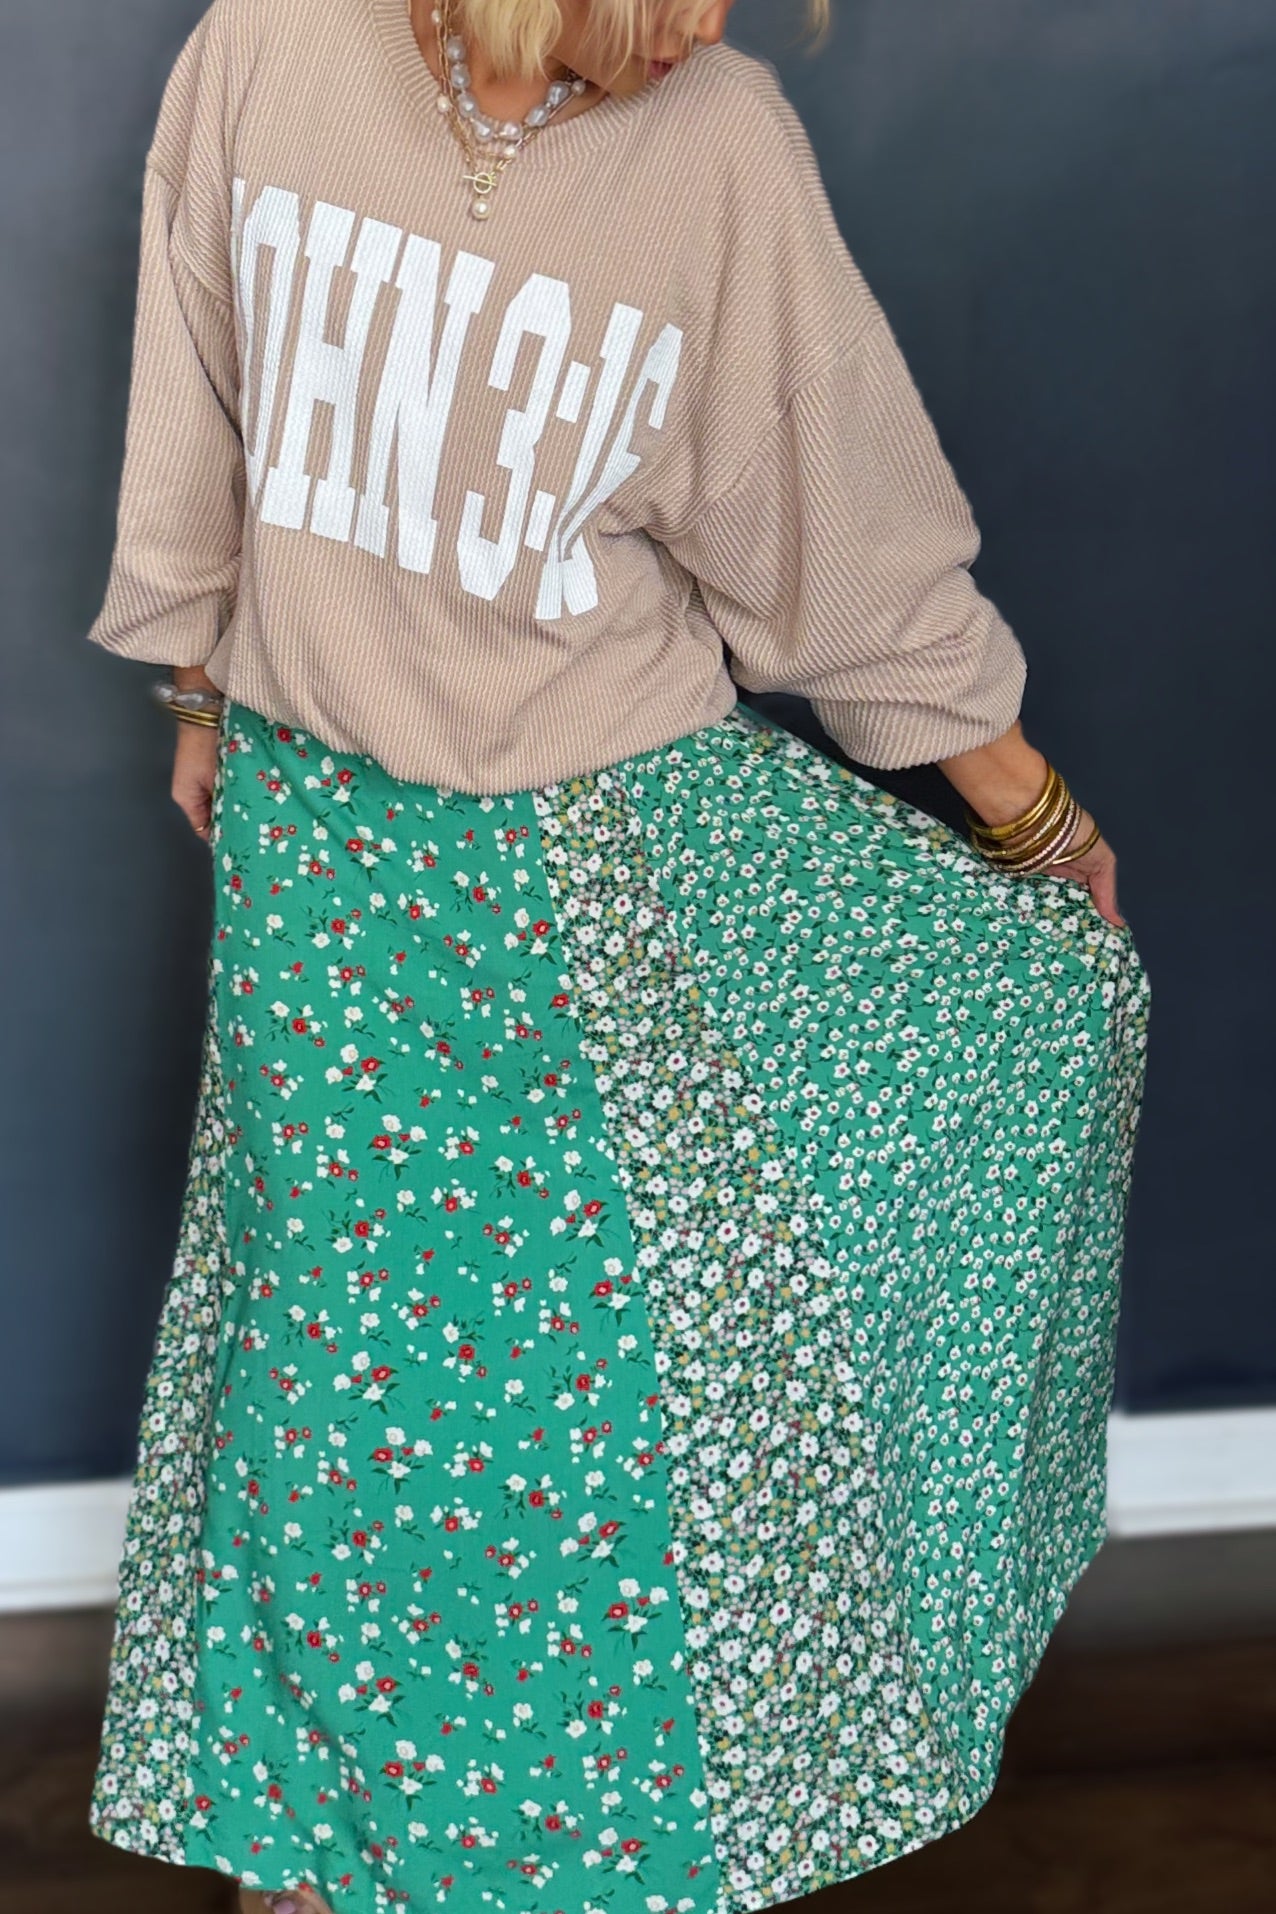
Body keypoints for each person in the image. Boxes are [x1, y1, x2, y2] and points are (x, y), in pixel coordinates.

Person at [82, 2, 1152, 1910]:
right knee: (327, 1403)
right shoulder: (272, 45)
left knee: (594, 1440)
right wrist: (196, 679)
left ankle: (575, 1855)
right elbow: (198, 379)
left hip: (605, 886)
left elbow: (850, 550)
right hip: (328, 878)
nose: (708, 19)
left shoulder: (720, 147)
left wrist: (1031, 814)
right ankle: (310, 1865)